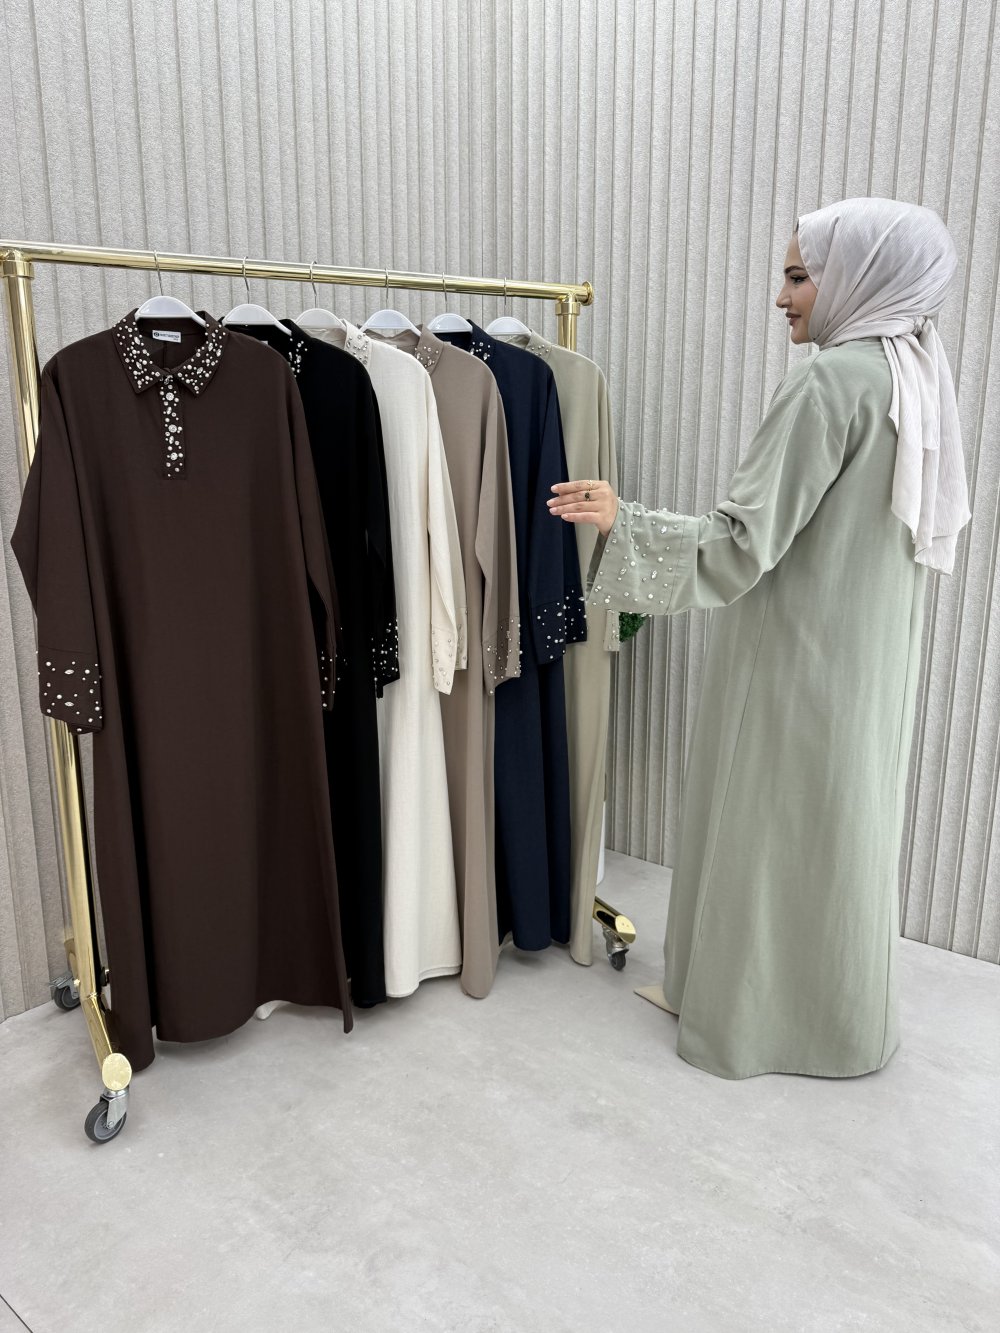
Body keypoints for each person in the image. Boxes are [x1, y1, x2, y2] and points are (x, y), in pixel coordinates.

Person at [548, 197, 970, 1080]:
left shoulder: (831, 382)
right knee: (837, 831)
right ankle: (840, 1023)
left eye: (799, 276)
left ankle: (745, 1021)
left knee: (765, 830)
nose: (782, 297)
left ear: (859, 277)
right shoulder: (914, 378)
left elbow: (742, 542)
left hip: (793, 654)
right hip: (870, 660)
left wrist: (626, 520)